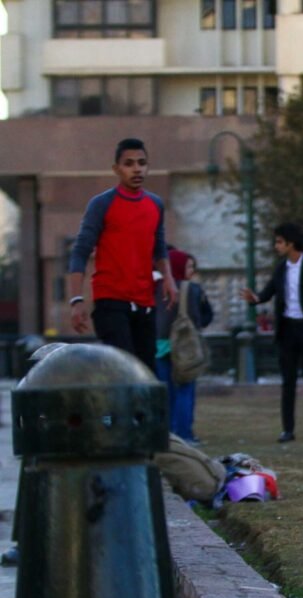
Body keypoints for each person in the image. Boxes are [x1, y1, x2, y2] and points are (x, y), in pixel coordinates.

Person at [67, 138, 176, 371]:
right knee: (123, 372)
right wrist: (76, 300)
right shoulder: (101, 204)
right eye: (129, 163)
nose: (136, 168)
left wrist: (168, 278)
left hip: (145, 303)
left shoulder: (155, 204)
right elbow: (80, 251)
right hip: (111, 302)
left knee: (147, 374)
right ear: (117, 169)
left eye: (141, 163)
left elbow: (159, 246)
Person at [241, 223, 303, 443]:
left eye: (279, 242)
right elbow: (268, 291)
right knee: (287, 382)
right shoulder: (281, 268)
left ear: (291, 243)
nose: (276, 246)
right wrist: (256, 299)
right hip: (287, 331)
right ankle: (287, 430)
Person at [155, 249, 213, 446]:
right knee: (185, 390)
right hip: (185, 346)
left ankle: (167, 432)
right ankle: (185, 433)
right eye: (189, 266)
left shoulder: (155, 287)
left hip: (160, 345)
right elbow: (204, 316)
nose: (192, 270)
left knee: (165, 391)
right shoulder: (193, 289)